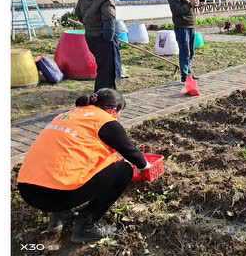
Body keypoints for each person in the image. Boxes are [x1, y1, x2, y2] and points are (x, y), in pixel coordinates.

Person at [16, 89, 150, 243]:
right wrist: (147, 166)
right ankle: (85, 226)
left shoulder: (66, 115)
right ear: (114, 109)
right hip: (57, 195)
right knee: (123, 169)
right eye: (120, 112)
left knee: (69, 162)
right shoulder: (105, 121)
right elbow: (132, 153)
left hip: (27, 189)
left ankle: (59, 215)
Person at [74, 0, 121, 91]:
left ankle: (108, 94)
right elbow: (109, 19)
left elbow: (78, 13)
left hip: (90, 36)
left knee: (102, 67)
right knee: (108, 70)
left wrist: (89, 25)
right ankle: (103, 97)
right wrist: (109, 40)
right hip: (103, 38)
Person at [167, 0, 200, 92]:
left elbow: (191, 6)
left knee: (191, 51)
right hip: (181, 26)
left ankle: (189, 73)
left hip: (191, 24)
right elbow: (177, 11)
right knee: (184, 50)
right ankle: (184, 75)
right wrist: (190, 5)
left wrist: (196, 4)